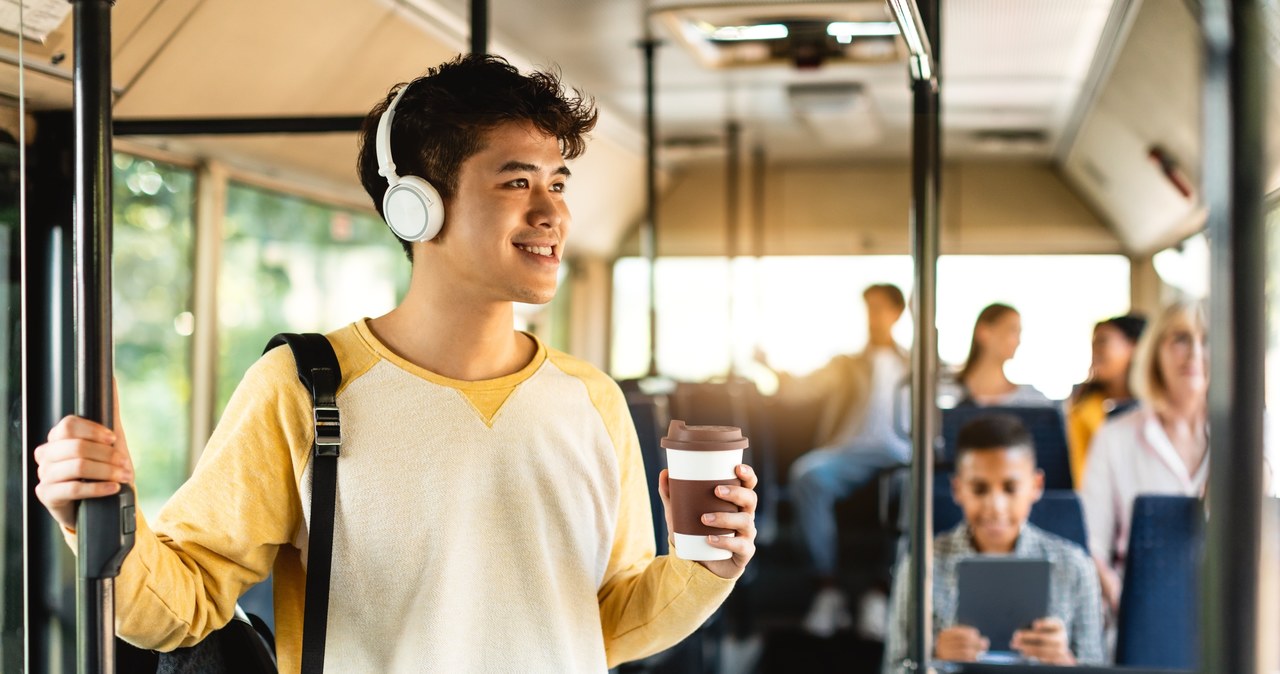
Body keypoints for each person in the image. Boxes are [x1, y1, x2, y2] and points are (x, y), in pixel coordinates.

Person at [33, 55, 758, 673]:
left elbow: (607, 622)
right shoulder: (304, 389)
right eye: (517, 182)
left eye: (558, 182)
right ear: (418, 205)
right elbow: (181, 607)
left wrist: (706, 569)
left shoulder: (591, 399)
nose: (553, 213)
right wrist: (97, 517)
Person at [883, 415, 1104, 672]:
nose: (995, 507)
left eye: (1010, 488)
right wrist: (934, 659)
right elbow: (893, 667)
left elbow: (1095, 666)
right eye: (979, 489)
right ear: (957, 489)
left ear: (1035, 486)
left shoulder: (1075, 566)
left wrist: (1063, 661)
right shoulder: (921, 566)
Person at [756, 283, 910, 638]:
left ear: (898, 314)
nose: (873, 317)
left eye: (881, 309)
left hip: (901, 456)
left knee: (918, 487)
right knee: (807, 475)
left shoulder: (916, 365)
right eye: (868, 309)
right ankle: (827, 588)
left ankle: (880, 592)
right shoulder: (846, 364)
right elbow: (799, 390)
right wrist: (768, 368)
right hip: (848, 451)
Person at [1081, 301, 1206, 614]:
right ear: (1155, 351)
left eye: (1208, 339)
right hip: (1137, 606)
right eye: (1180, 339)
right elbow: (1092, 543)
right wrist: (1121, 598)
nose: (1195, 353)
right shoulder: (1115, 437)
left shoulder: (1254, 431)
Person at [1065, 314, 1147, 486]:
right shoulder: (1082, 412)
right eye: (1092, 344)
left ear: (1134, 347)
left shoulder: (1157, 408)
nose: (1094, 352)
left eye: (1102, 342)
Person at [941, 303, 1052, 408]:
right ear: (983, 332)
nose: (1018, 341)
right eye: (1012, 330)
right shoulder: (945, 396)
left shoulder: (1033, 400)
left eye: (1019, 333)